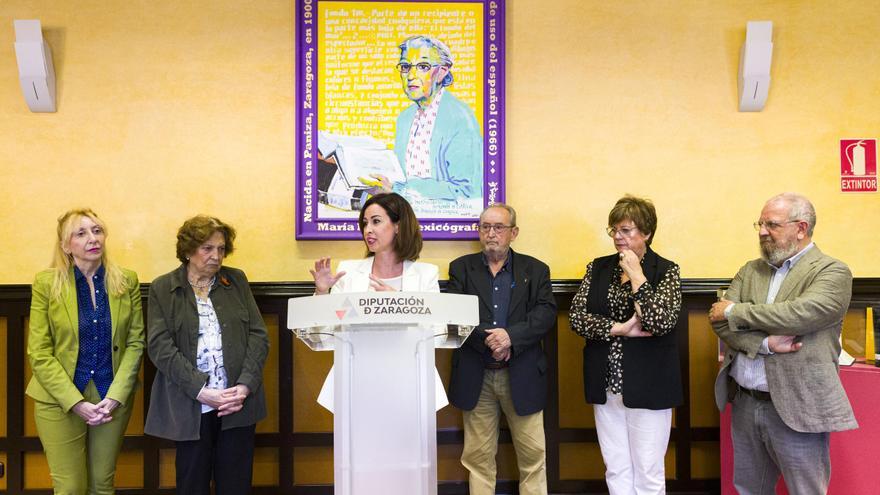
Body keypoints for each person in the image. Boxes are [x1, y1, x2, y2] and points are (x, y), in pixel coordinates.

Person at [709, 192, 857, 494]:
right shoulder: (751, 269)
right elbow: (719, 321)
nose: (762, 232)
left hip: (798, 406)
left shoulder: (832, 271)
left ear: (800, 228)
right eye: (760, 224)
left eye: (772, 225)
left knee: (806, 490)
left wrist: (736, 310)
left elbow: (799, 315)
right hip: (746, 403)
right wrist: (764, 344)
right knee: (749, 489)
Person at [145, 215, 269, 495]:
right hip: (191, 405)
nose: (216, 256)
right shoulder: (164, 288)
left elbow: (258, 335)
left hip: (236, 402)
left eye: (221, 249)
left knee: (235, 484)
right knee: (192, 483)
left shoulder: (235, 280)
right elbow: (159, 346)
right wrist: (199, 390)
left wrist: (245, 385)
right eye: (207, 248)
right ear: (188, 251)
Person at [569, 195, 682, 495]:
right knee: (616, 467)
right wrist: (618, 329)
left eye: (627, 230)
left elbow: (660, 322)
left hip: (650, 383)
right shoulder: (598, 268)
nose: (618, 237)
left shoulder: (666, 270)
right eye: (614, 230)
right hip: (606, 384)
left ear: (646, 233)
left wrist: (636, 276)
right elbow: (577, 318)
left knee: (648, 470)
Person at [26, 208, 144, 494]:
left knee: (103, 485)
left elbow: (135, 342)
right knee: (70, 487)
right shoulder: (46, 284)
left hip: (110, 398)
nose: (93, 238)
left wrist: (116, 396)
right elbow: (39, 352)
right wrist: (76, 403)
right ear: (66, 246)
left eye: (97, 230)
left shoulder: (126, 281)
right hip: (60, 400)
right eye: (81, 233)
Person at [447, 203, 557, 495]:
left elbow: (545, 314)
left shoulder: (536, 270)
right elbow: (456, 314)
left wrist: (510, 338)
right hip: (477, 375)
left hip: (521, 373)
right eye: (485, 227)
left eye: (498, 227)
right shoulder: (461, 269)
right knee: (478, 459)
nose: (491, 233)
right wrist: (492, 341)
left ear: (513, 233)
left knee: (533, 458)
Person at [309, 192, 446, 408]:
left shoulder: (425, 274)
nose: (368, 230)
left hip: (409, 382)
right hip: (356, 382)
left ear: (398, 226)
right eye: (365, 223)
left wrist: (399, 306)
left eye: (376, 221)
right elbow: (324, 336)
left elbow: (438, 334)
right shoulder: (349, 272)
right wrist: (322, 293)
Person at [369, 35, 483, 203]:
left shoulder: (459, 117)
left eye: (423, 66)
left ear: (442, 72)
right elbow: (399, 176)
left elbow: (467, 191)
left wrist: (399, 190)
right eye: (406, 66)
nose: (410, 76)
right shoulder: (405, 118)